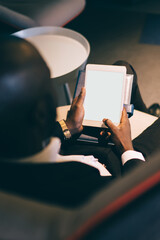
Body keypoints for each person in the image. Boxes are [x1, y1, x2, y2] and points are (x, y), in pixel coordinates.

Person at [0, 35, 159, 208]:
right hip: (118, 167)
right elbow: (137, 203)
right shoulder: (84, 184)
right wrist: (126, 148)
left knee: (123, 68)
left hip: (69, 144)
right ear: (41, 112)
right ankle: (148, 116)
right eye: (49, 86)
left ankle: (145, 112)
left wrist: (67, 127)